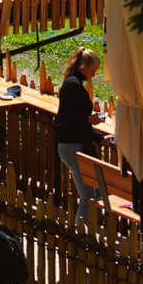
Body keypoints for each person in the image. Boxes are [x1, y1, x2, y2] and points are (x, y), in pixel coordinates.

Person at [54, 48, 102, 223]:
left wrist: (98, 135)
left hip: (71, 144)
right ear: (83, 66)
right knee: (88, 195)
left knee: (93, 193)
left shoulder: (72, 82)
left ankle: (91, 230)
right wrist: (89, 119)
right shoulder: (73, 86)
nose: (94, 75)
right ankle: (80, 233)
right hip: (72, 145)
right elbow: (69, 118)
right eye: (93, 70)